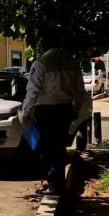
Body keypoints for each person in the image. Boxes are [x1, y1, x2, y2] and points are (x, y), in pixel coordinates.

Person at [22, 38, 86, 196]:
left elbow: (33, 91)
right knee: (58, 146)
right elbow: (80, 91)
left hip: (46, 111)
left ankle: (54, 185)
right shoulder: (72, 62)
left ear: (44, 45)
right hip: (65, 109)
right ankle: (57, 184)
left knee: (48, 148)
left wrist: (26, 112)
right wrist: (75, 109)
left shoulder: (41, 63)